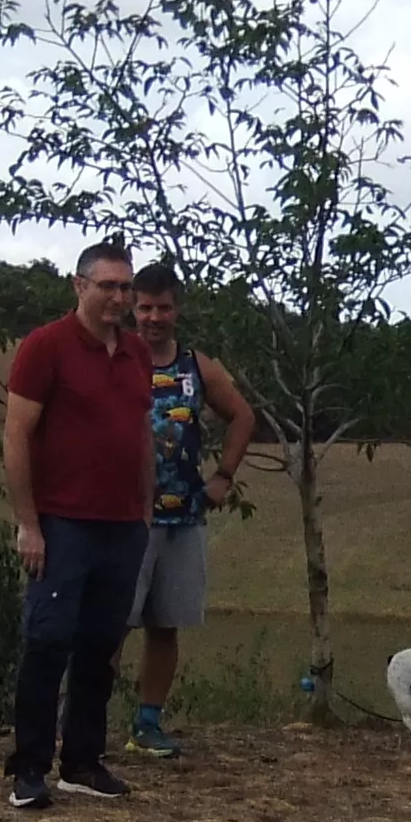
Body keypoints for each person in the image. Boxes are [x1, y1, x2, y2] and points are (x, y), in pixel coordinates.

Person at [0, 238, 156, 810]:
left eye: (125, 287)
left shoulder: (136, 354)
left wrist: (145, 504)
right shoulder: (47, 347)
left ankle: (83, 762)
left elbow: (140, 432)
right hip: (62, 522)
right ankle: (30, 767)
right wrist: (28, 523)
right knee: (48, 641)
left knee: (100, 646)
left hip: (122, 524)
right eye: (107, 285)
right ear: (79, 286)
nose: (118, 297)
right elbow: (16, 435)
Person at [121, 266, 260, 759]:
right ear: (131, 308)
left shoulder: (197, 367)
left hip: (183, 516)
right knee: (109, 624)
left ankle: (147, 724)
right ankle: (81, 725)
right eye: (144, 307)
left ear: (177, 309)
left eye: (162, 307)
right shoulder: (115, 359)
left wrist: (223, 475)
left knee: (165, 624)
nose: (153, 317)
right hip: (121, 518)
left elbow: (243, 416)